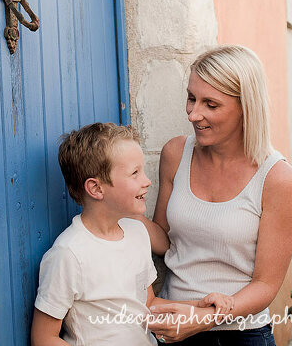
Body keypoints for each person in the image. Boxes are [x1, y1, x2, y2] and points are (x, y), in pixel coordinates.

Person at [143, 45, 292, 345]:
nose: (193, 113)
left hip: (241, 334)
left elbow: (266, 285)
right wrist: (119, 207)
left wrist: (204, 319)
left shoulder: (277, 178)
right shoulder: (176, 153)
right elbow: (164, 241)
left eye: (210, 104)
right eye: (191, 98)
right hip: (171, 326)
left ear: (246, 107)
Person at [30, 122, 235, 346]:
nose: (147, 181)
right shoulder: (68, 254)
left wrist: (200, 306)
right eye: (134, 173)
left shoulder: (137, 232)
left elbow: (148, 304)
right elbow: (43, 337)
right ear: (96, 189)